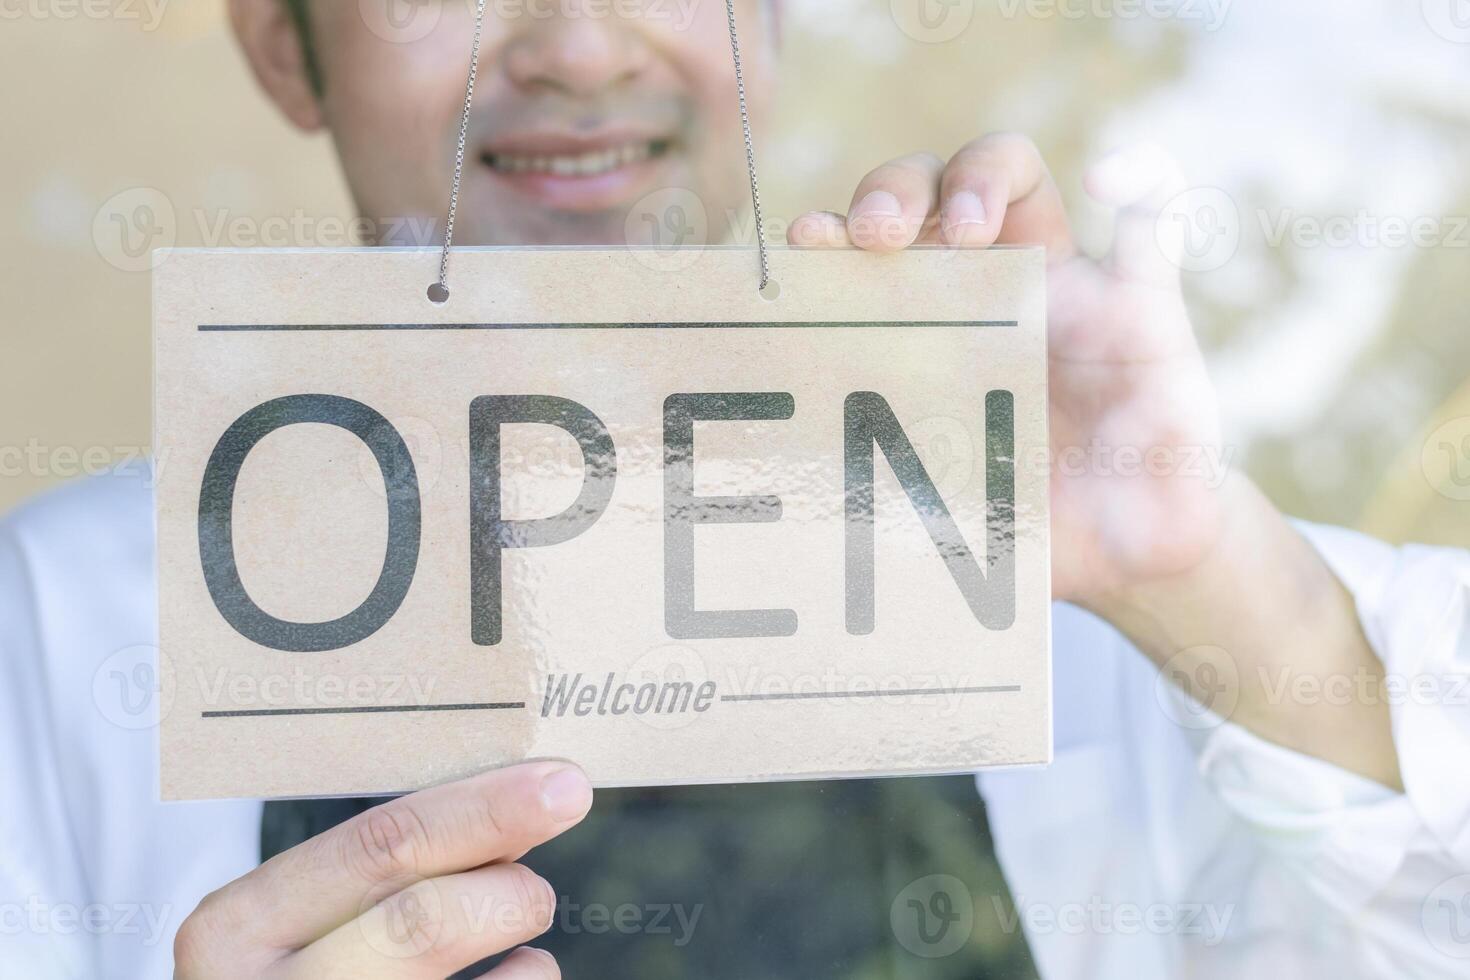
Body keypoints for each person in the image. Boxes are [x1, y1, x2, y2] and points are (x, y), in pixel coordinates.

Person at [2, 0, 1467, 976]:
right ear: (283, 46)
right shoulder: (55, 623)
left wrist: (1203, 583)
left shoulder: (1044, 539)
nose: (576, 44)